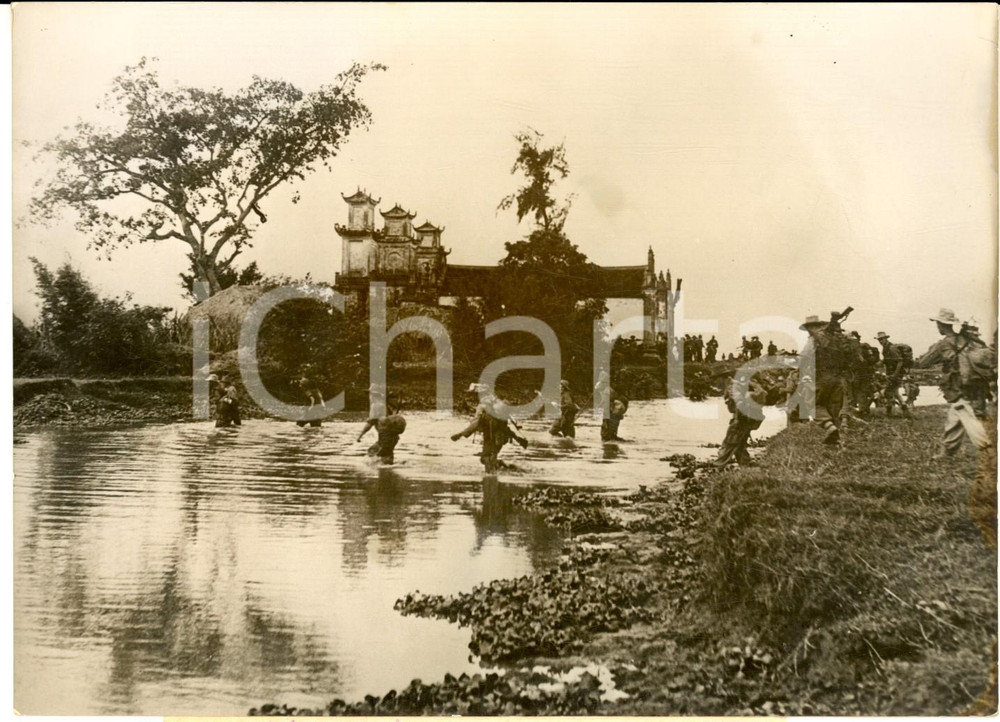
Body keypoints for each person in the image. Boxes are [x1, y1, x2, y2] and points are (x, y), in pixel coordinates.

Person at [916, 308, 993, 457]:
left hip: (960, 386)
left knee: (969, 418)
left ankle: (988, 451)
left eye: (938, 323)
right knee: (955, 417)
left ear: (941, 325)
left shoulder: (944, 344)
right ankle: (948, 450)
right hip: (976, 382)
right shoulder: (967, 339)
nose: (937, 326)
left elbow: (924, 363)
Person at [799, 314, 854, 445]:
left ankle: (829, 427)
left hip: (821, 377)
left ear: (810, 328)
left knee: (813, 404)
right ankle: (837, 442)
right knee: (833, 408)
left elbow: (804, 360)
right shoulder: (836, 339)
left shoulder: (812, 340)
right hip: (838, 377)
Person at [451, 384, 528, 473]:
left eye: (473, 394)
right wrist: (517, 438)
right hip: (501, 437)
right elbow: (505, 424)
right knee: (489, 459)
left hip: (491, 436)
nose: (471, 397)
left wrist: (459, 435)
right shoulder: (497, 403)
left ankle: (491, 479)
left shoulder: (482, 406)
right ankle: (506, 468)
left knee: (486, 458)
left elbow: (475, 424)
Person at [713, 371, 767, 467]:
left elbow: (739, 404)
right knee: (740, 443)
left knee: (729, 443)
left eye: (718, 378)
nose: (717, 381)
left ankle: (718, 465)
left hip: (741, 419)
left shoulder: (733, 387)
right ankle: (745, 463)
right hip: (749, 419)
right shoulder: (743, 385)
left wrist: (737, 420)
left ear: (726, 378)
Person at [875, 332, 909, 417]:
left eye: (882, 339)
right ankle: (904, 410)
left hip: (895, 373)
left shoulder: (891, 348)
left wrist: (895, 374)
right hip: (891, 373)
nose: (881, 341)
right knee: (894, 392)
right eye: (879, 340)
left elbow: (900, 361)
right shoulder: (885, 349)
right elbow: (888, 360)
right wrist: (881, 362)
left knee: (888, 392)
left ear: (886, 338)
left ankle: (890, 411)